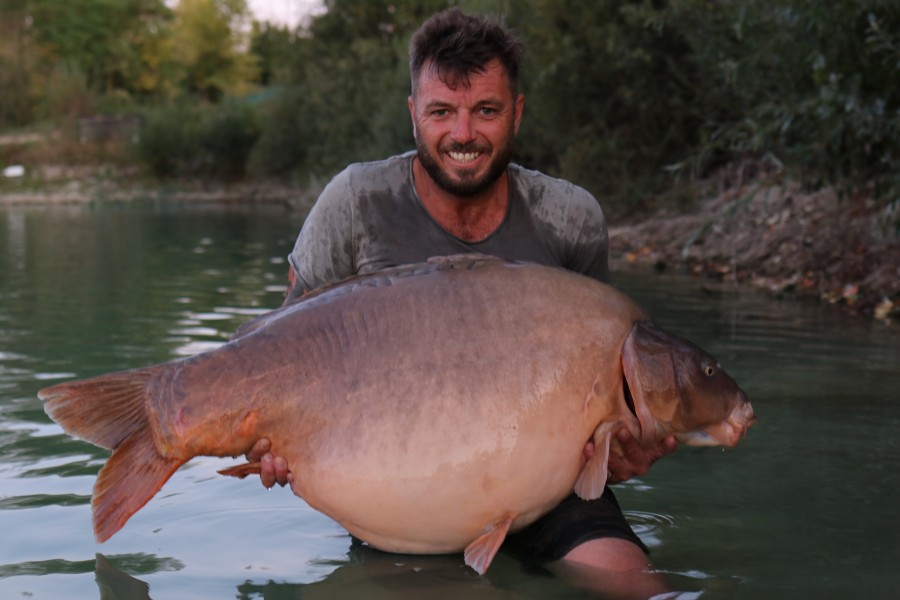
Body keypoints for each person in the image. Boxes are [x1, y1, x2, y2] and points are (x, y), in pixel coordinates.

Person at [248, 8, 677, 596]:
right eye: (441, 112)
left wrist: (621, 452)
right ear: (413, 116)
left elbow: (603, 401)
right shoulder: (356, 203)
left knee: (642, 589)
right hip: (401, 495)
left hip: (549, 492)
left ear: (517, 114)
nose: (464, 134)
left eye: (487, 110)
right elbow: (284, 345)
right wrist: (272, 439)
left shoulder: (570, 219)